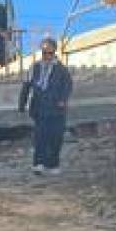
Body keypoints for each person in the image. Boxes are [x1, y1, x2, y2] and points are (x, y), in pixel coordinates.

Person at [18, 37, 73, 174]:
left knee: (55, 137)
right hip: (40, 107)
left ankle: (53, 164)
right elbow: (26, 86)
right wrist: (22, 104)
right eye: (44, 52)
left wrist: (62, 100)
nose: (47, 56)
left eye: (50, 53)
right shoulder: (34, 68)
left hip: (56, 109)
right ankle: (38, 164)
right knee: (40, 136)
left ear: (54, 53)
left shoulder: (61, 70)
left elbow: (67, 86)